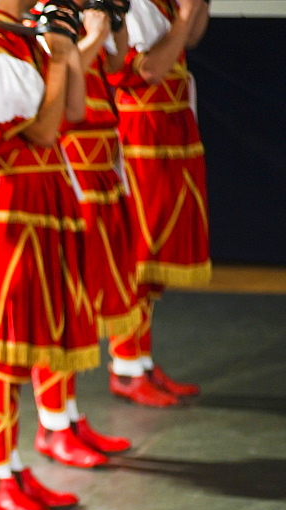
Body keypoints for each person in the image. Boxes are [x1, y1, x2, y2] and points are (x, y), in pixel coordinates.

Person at [0, 0, 101, 510]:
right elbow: (42, 132)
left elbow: (74, 113)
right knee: (6, 346)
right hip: (10, 208)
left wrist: (66, 52)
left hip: (44, 198)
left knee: (41, 331)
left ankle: (16, 464)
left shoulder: (23, 36)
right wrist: (63, 59)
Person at [106, 0, 210, 405]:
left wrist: (195, 6)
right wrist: (183, 18)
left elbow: (193, 37)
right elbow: (148, 69)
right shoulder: (125, 4)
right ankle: (126, 364)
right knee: (139, 249)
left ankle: (142, 360)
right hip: (141, 130)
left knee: (157, 255)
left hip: (172, 125)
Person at [47, 0, 138, 452]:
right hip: (71, 177)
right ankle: (53, 423)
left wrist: (112, 26)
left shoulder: (88, 16)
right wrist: (93, 37)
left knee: (86, 306)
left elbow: (119, 66)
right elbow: (55, 86)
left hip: (101, 173)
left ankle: (70, 416)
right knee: (65, 308)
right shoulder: (48, 20)